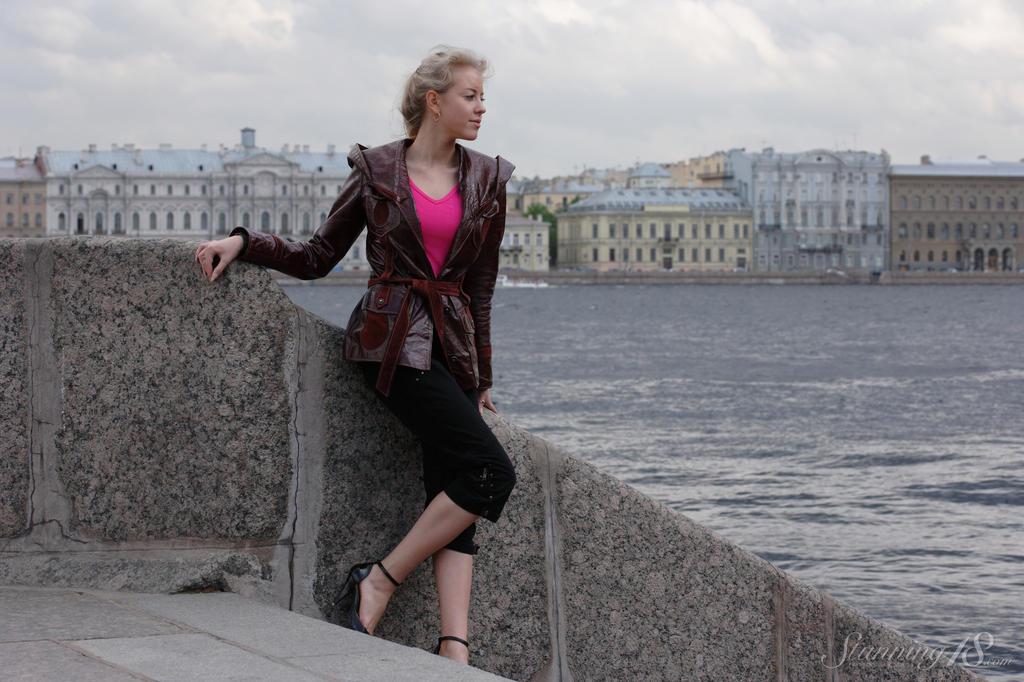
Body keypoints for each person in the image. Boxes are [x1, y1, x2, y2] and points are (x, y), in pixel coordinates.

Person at [193, 45, 517, 665]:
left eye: (483, 97)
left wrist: (481, 378)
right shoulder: (377, 170)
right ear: (434, 101)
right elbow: (318, 255)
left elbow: (480, 288)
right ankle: (380, 580)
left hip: (451, 348)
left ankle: (454, 648)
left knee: (455, 486)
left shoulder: (487, 179)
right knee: (489, 473)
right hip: (390, 343)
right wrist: (244, 241)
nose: (482, 108)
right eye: (470, 95)